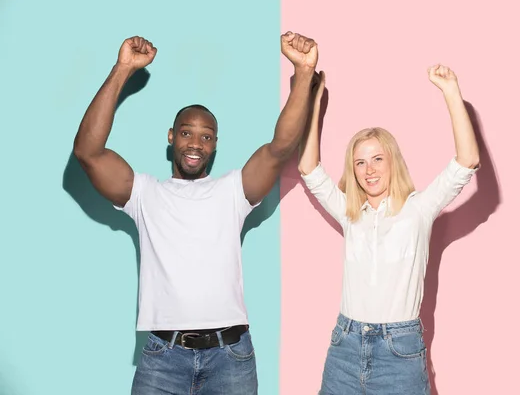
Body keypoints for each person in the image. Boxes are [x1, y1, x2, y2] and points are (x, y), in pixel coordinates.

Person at [73, 32, 318, 394]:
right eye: (187, 133)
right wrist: (123, 68)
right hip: (163, 357)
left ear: (215, 144)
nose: (195, 144)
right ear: (171, 136)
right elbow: (88, 152)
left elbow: (280, 149)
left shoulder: (232, 191)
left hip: (230, 357)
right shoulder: (144, 193)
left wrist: (303, 73)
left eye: (206, 137)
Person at [298, 65, 480, 394]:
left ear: (392, 161)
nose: (369, 170)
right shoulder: (350, 213)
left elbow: (467, 160)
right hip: (345, 347)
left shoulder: (419, 209)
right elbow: (308, 169)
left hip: (400, 352)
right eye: (360, 162)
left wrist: (451, 92)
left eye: (377, 159)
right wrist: (314, 103)